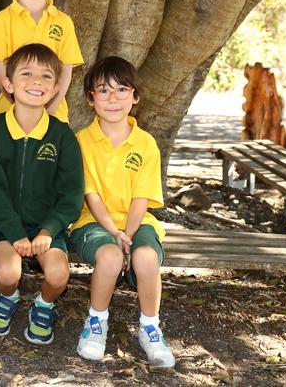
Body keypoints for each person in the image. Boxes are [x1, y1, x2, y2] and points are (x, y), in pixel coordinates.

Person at [69, 56, 175, 367]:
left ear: (135, 97)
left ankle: (150, 327)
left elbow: (141, 199)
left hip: (137, 222)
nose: (113, 99)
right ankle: (96, 322)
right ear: (91, 99)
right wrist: (114, 234)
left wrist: (128, 234)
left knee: (145, 257)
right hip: (93, 222)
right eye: (103, 91)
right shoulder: (82, 141)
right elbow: (92, 196)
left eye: (121, 90)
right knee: (111, 256)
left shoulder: (146, 144)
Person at [0, 43, 84, 345]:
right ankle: (8, 299)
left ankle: (44, 305)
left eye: (46, 76)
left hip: (46, 228)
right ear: (8, 83)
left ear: (54, 89)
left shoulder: (62, 136)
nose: (36, 82)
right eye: (26, 73)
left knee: (58, 275)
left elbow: (71, 194)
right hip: (4, 226)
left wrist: (48, 230)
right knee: (8, 275)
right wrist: (14, 234)